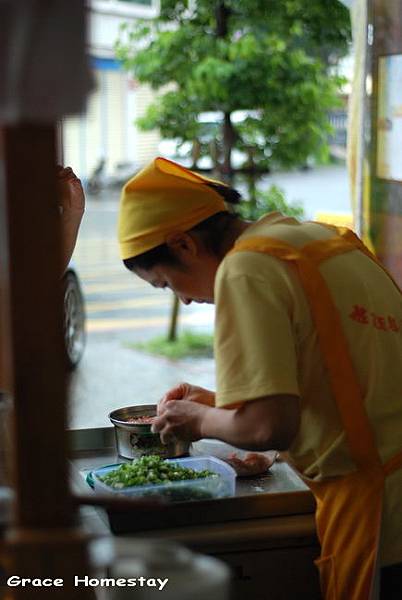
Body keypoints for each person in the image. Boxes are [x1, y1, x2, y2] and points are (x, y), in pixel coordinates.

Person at [118, 156, 402, 600]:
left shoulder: (246, 267)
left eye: (167, 284)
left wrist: (196, 420)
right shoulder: (316, 239)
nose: (185, 301)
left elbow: (268, 427)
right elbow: (332, 379)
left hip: (382, 515)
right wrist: (218, 404)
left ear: (184, 244)